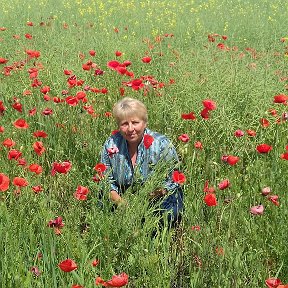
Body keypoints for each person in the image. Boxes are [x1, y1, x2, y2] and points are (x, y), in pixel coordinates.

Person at [100, 97, 184, 228]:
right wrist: (121, 203)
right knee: (102, 203)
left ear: (145, 123)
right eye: (124, 124)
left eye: (135, 122)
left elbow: (174, 180)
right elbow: (106, 180)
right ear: (118, 126)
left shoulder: (161, 144)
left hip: (157, 197)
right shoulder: (111, 144)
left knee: (168, 211)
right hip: (122, 198)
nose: (130, 129)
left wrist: (146, 199)